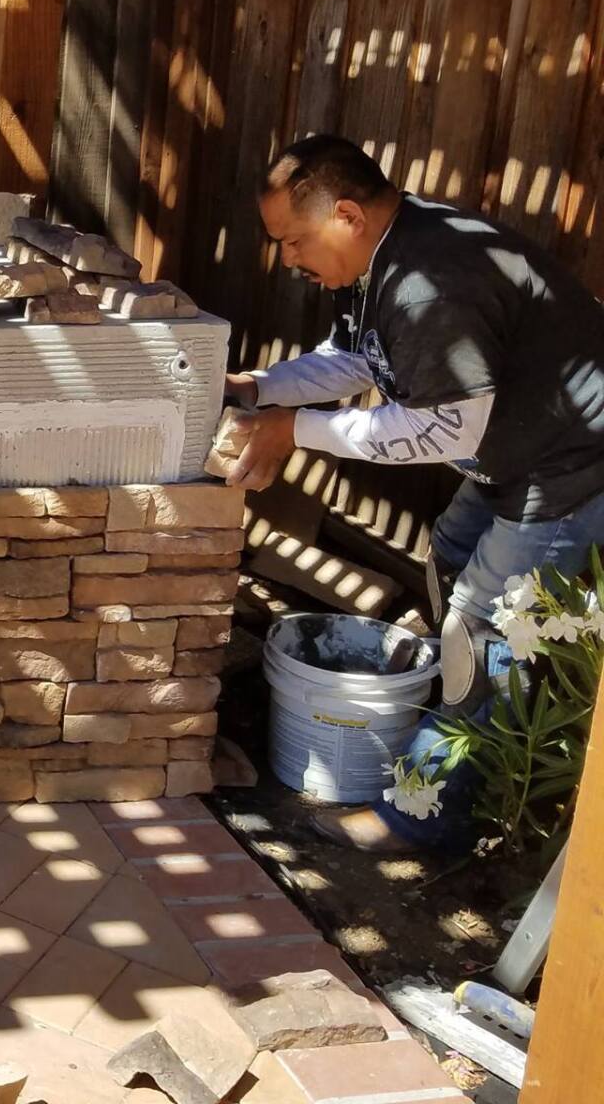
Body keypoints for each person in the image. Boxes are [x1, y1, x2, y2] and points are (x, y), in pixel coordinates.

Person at [224, 134, 604, 852]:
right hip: (515, 461)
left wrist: (295, 431)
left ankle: (421, 817)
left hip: (570, 472)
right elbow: (353, 359)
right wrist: (261, 389)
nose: (288, 259)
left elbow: (440, 428)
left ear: (345, 216)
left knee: (480, 631)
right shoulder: (383, 259)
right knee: (451, 558)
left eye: (294, 240)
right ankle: (470, 728)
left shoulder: (432, 280)